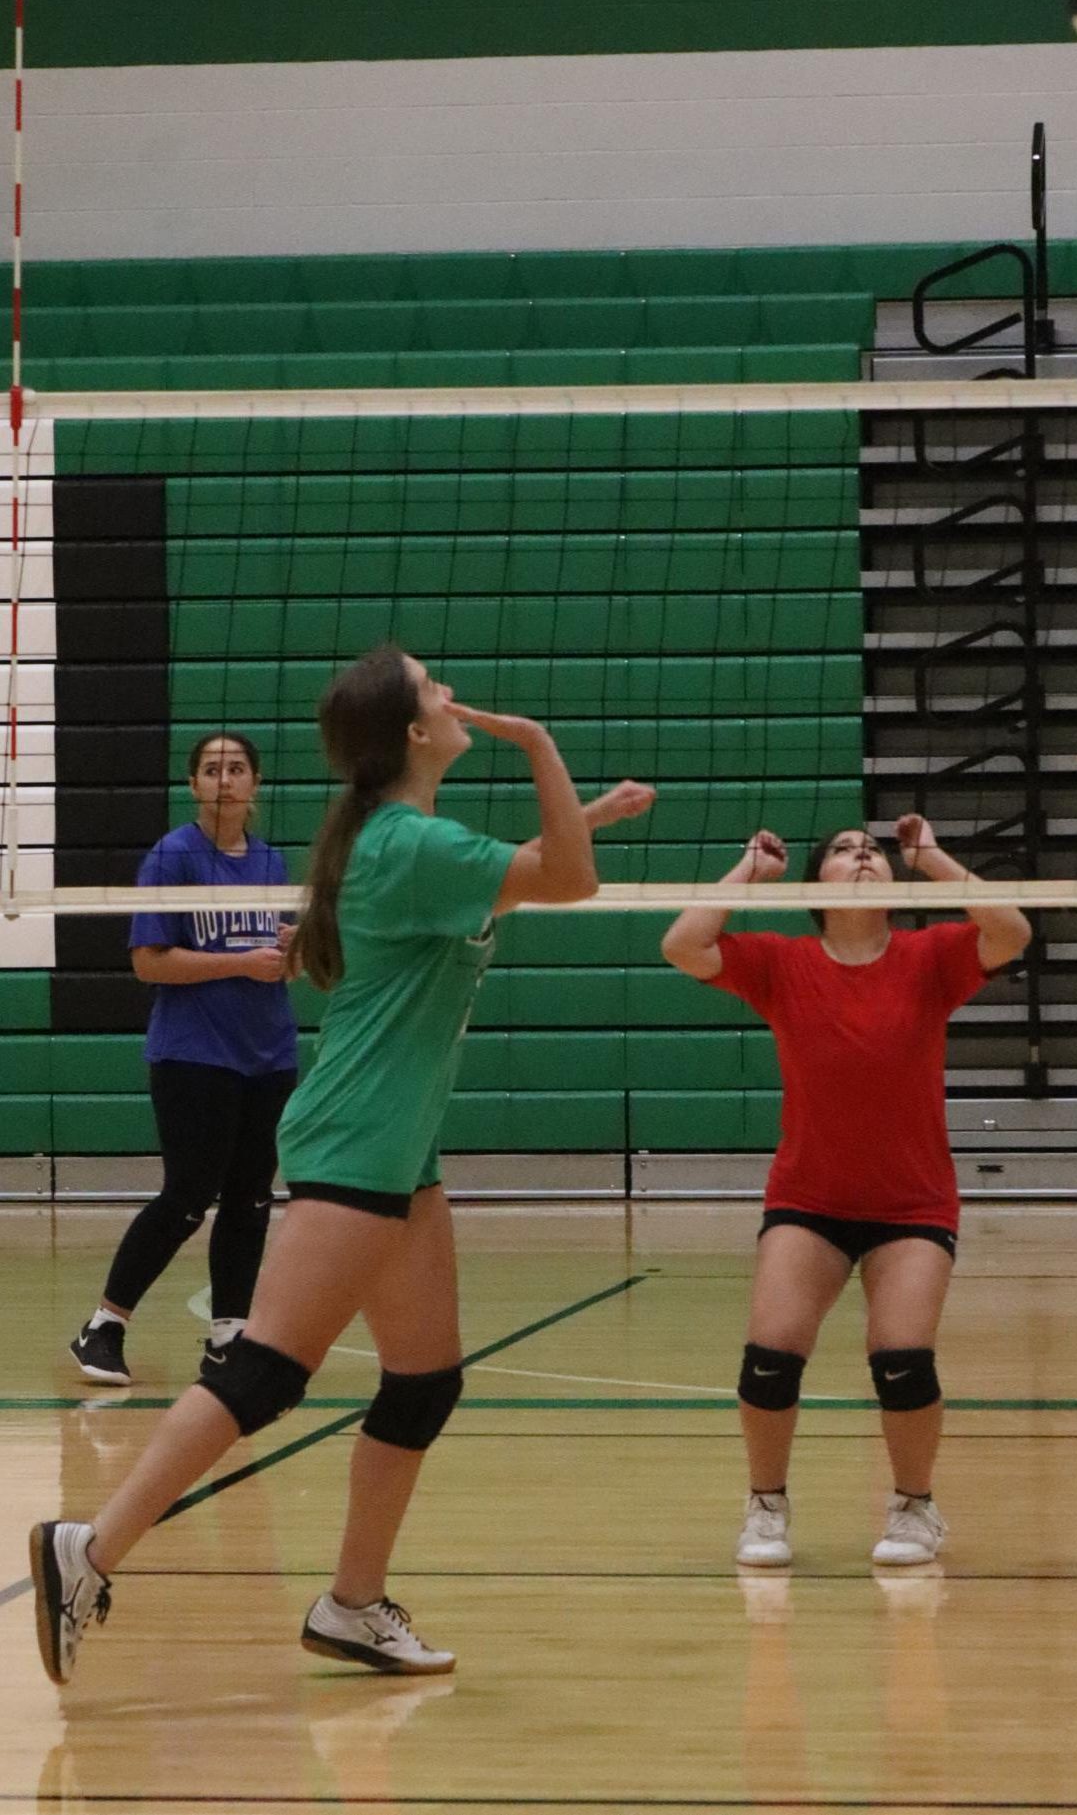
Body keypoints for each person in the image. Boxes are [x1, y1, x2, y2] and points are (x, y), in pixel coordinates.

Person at [30, 643, 653, 1686]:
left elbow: (523, 874)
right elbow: (568, 883)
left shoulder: (399, 838)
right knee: (265, 1374)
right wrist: (543, 747)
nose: (454, 694)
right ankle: (86, 1552)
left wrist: (580, 813)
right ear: (413, 731)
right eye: (434, 686)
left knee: (421, 1382)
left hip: (392, 1144)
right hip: (361, 1138)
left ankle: (352, 1605)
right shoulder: (408, 842)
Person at [661, 816, 1031, 1569]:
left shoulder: (931, 957)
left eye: (874, 849)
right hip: (810, 1199)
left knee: (902, 1358)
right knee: (769, 1356)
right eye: (843, 848)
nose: (864, 854)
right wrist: (748, 870)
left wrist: (930, 857)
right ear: (815, 884)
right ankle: (766, 1503)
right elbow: (682, 944)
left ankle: (915, 1506)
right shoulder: (780, 963)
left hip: (912, 1204)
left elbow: (1012, 929)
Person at [68, 733, 298, 1387]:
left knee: (251, 1197)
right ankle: (103, 1325)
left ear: (256, 782)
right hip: (194, 1054)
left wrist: (295, 946)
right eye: (211, 769)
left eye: (236, 768)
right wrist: (240, 962)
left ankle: (230, 1330)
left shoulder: (274, 864)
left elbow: (283, 962)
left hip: (269, 1054)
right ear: (194, 783)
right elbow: (148, 962)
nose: (224, 779)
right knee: (188, 1195)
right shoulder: (173, 857)